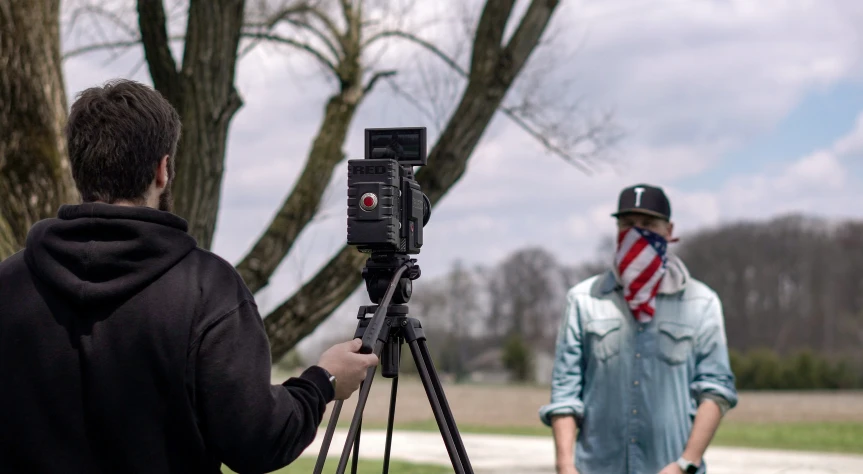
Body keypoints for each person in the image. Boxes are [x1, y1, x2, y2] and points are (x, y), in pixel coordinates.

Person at [0, 79, 378, 473]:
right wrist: (323, 382)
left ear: (78, 168)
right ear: (163, 169)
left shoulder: (8, 285)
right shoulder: (207, 289)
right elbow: (257, 441)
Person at [538, 184, 738, 474]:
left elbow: (716, 389)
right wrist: (565, 465)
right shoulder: (584, 299)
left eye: (648, 224)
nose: (637, 232)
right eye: (628, 224)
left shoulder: (700, 302)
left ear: (669, 230)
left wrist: (685, 464)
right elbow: (565, 393)